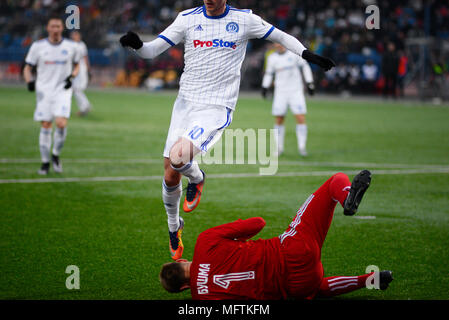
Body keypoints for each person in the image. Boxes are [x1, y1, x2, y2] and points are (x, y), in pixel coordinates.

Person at [119, 0, 335, 261]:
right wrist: (138, 44)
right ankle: (174, 228)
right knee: (169, 174)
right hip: (184, 105)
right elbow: (152, 51)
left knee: (178, 158)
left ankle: (197, 178)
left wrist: (307, 54)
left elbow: (280, 36)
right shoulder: (187, 18)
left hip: (216, 106)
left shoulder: (244, 20)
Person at [159, 170, 394, 299]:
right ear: (181, 261)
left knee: (316, 289)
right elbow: (258, 223)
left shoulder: (203, 301)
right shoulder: (204, 242)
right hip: (293, 249)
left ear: (183, 288)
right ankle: (347, 197)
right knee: (335, 181)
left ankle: (371, 280)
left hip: (296, 287)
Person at [23, 16, 81, 175]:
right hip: (44, 91)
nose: (55, 29)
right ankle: (45, 162)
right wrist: (29, 82)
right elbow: (27, 67)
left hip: (62, 90)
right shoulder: (37, 46)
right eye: (52, 26)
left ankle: (55, 154)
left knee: (61, 123)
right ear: (48, 28)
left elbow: (77, 65)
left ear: (62, 28)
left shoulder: (71, 46)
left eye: (58, 26)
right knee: (46, 125)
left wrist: (72, 77)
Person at [261, 43, 314, 157]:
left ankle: (302, 147)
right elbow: (269, 73)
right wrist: (265, 86)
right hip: (280, 93)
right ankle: (279, 148)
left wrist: (309, 82)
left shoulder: (294, 54)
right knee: (279, 119)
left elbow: (305, 67)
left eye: (281, 43)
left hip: (296, 92)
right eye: (276, 43)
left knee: (300, 117)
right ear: (274, 45)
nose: (279, 45)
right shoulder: (272, 58)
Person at [70, 31, 92, 117]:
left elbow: (85, 58)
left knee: (77, 89)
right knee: (76, 89)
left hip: (81, 69)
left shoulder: (82, 45)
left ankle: (85, 106)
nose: (74, 37)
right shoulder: (71, 45)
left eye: (76, 35)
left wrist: (88, 70)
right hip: (74, 69)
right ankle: (85, 106)